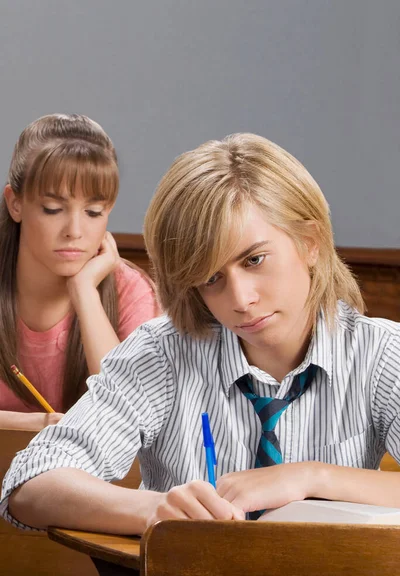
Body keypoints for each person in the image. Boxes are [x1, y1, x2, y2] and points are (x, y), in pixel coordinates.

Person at [2, 133, 400, 534]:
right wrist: (157, 510)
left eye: (255, 259)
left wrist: (314, 478)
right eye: (211, 278)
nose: (240, 299)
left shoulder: (381, 353)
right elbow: (30, 484)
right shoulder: (161, 353)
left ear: (310, 243)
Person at [0, 114, 158, 431]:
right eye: (53, 209)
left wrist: (85, 292)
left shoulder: (132, 291)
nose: (74, 231)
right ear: (15, 203)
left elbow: (132, 417)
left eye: (93, 212)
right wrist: (31, 425)